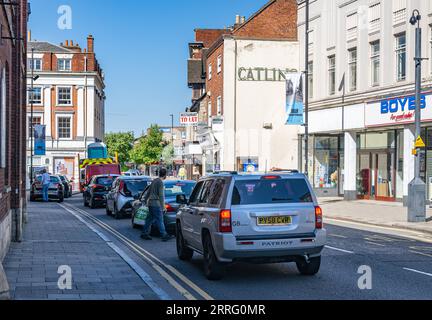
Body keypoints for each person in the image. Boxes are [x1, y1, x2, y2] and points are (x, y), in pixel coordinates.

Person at [140, 168, 174, 242]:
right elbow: (161, 195)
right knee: (160, 220)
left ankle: (144, 233)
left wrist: (145, 200)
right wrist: (163, 207)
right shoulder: (160, 182)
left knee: (149, 219)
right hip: (156, 204)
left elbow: (148, 192)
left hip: (150, 203)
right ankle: (164, 235)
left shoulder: (154, 181)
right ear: (165, 175)